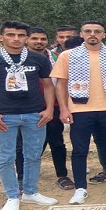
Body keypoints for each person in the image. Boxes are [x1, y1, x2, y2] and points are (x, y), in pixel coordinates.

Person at [0, 22, 57, 210]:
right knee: (6, 158)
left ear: (26, 38)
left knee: (33, 155)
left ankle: (31, 192)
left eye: (20, 35)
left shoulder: (38, 59)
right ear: (1, 37)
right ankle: (12, 195)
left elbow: (48, 86)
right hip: (3, 116)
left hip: (34, 115)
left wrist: (49, 109)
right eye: (11, 35)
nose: (16, 39)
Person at [51, 21, 106, 204]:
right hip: (80, 109)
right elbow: (61, 83)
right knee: (80, 150)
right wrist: (64, 108)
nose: (92, 34)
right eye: (88, 31)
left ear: (104, 34)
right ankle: (80, 188)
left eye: (97, 31)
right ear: (81, 34)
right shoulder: (68, 55)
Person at [14, 27, 72, 191]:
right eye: (35, 39)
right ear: (27, 39)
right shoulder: (16, 59)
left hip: (52, 107)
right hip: (26, 108)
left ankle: (62, 175)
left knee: (56, 142)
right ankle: (22, 178)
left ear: (47, 40)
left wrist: (61, 107)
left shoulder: (57, 58)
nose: (39, 42)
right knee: (22, 145)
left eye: (42, 39)